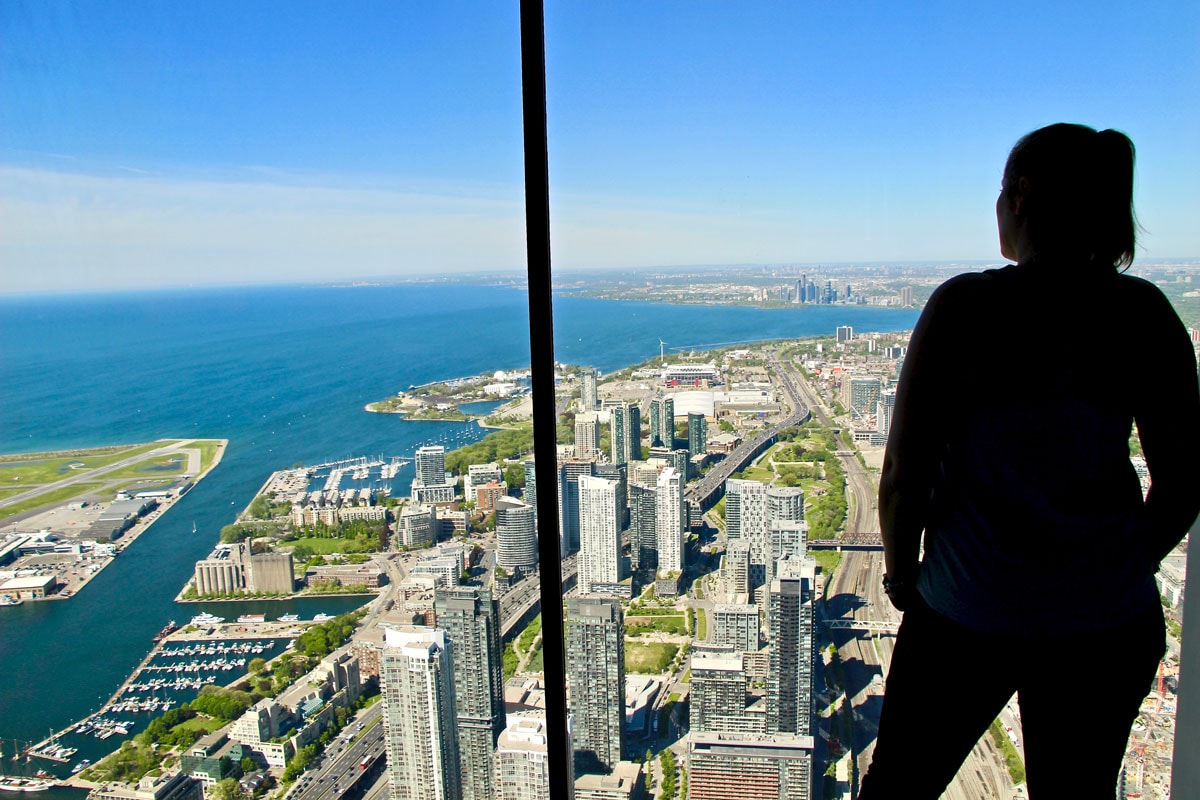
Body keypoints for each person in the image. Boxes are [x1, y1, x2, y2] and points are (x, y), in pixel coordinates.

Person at [857, 123, 1200, 798]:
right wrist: (1121, 567)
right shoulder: (1144, 313)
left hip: (965, 608)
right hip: (1105, 624)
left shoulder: (967, 306)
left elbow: (903, 477)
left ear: (1020, 197)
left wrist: (902, 580)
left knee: (899, 786)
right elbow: (1185, 479)